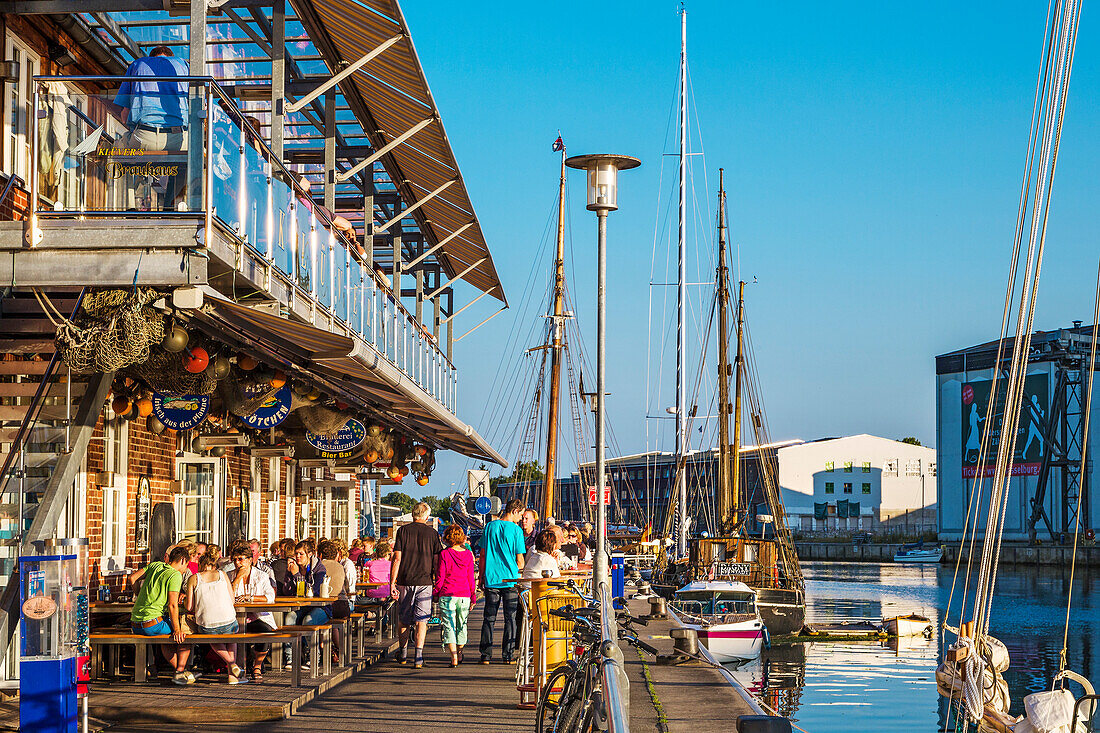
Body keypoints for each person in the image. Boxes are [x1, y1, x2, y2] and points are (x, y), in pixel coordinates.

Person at [113, 45, 190, 210]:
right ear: (170, 56)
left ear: (151, 56)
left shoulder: (138, 65)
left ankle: (128, 205)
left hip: (145, 136)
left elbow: (125, 114)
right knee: (189, 160)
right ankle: (170, 206)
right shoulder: (184, 66)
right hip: (178, 138)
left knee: (117, 152)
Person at [124, 546, 193, 685]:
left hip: (135, 624)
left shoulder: (155, 565)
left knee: (165, 638)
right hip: (153, 624)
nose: (186, 569)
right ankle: (181, 671)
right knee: (187, 634)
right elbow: (172, 605)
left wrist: (138, 595)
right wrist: (178, 630)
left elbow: (132, 578)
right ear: (183, 560)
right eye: (186, 565)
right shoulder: (175, 575)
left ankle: (181, 672)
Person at [389, 502, 442, 668]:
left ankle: (403, 652)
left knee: (404, 619)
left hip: (405, 581)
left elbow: (397, 558)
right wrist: (436, 581)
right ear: (426, 516)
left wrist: (392, 582)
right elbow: (436, 560)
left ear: (413, 515)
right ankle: (418, 656)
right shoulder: (432, 534)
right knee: (422, 621)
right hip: (425, 582)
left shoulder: (403, 531)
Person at [185, 550, 245, 684]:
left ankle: (231, 665)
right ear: (214, 564)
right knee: (231, 638)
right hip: (229, 620)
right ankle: (232, 673)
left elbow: (189, 607)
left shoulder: (194, 578)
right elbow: (232, 600)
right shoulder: (222, 575)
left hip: (207, 625)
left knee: (212, 637)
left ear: (201, 564)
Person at [478, 499, 526, 665]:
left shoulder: (490, 527)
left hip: (492, 578)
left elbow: (483, 555)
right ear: (514, 511)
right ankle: (508, 654)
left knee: (489, 618)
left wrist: (481, 576)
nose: (520, 518)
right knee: (510, 618)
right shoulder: (516, 531)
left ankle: (486, 654)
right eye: (520, 514)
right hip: (510, 579)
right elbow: (520, 559)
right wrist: (522, 573)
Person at [227, 540, 276, 681]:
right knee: (231, 632)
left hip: (257, 617)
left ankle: (257, 666)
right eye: (235, 559)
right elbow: (225, 596)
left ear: (249, 560)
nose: (237, 563)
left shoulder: (261, 576)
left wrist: (251, 598)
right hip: (234, 618)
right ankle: (236, 667)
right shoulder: (229, 576)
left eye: (241, 559)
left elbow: (270, 597)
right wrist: (236, 580)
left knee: (265, 630)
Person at [280, 541, 328, 670]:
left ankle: (312, 656)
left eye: (301, 554)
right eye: (296, 554)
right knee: (289, 618)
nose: (297, 557)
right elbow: (287, 592)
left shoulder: (319, 569)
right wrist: (289, 575)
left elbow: (314, 592)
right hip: (301, 606)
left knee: (308, 620)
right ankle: (291, 657)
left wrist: (297, 575)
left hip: (321, 607)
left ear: (310, 554)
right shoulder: (293, 567)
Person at [433, 525, 476, 668]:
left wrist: (436, 593)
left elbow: (440, 576)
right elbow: (471, 577)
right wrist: (473, 596)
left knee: (449, 626)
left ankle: (454, 658)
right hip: (464, 594)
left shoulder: (444, 554)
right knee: (462, 626)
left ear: (447, 538)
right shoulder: (468, 555)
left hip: (447, 594)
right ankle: (460, 651)